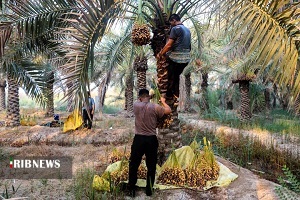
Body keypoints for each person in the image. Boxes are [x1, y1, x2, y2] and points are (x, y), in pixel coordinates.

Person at [127, 88, 171, 197]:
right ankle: (149, 190)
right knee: (151, 166)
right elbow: (168, 110)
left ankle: (131, 189)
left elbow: (142, 101)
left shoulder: (136, 105)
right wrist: (163, 101)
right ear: (149, 96)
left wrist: (147, 98)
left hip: (139, 139)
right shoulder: (155, 107)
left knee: (134, 164)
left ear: (140, 97)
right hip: (151, 139)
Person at [157, 14, 191, 99]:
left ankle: (168, 95)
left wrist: (161, 54)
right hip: (186, 59)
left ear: (174, 21)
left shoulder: (175, 29)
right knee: (176, 76)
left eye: (171, 22)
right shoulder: (187, 30)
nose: (170, 25)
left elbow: (169, 45)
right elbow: (189, 46)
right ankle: (176, 94)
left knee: (170, 76)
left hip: (176, 58)